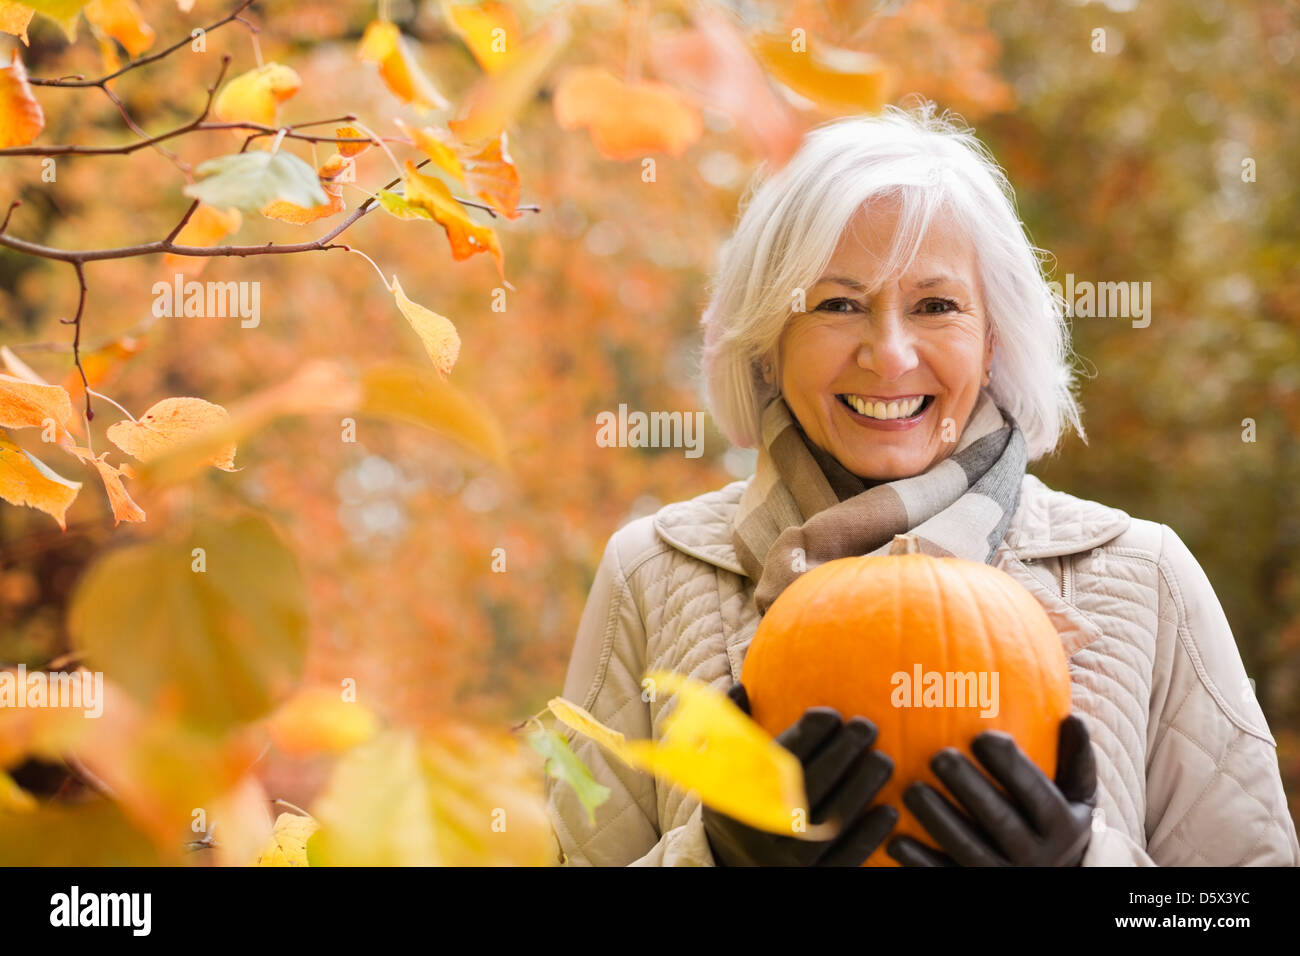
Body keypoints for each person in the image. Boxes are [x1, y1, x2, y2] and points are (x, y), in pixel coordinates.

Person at [544, 104, 1300, 866]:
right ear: (768, 344)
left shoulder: (1145, 575)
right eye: (838, 305)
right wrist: (715, 859)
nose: (891, 355)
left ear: (994, 334)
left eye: (936, 306)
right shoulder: (650, 573)